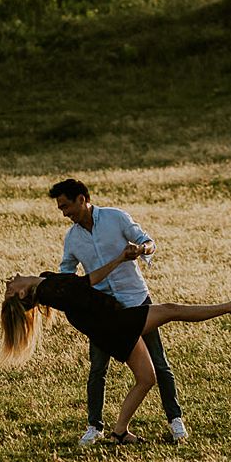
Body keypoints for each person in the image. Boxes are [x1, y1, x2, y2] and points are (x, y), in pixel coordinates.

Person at [0, 245, 231, 444]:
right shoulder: (49, 291)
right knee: (171, 310)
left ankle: (120, 432)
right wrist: (120, 259)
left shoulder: (47, 282)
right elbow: (87, 281)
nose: (9, 281)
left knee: (146, 378)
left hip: (110, 325)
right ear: (22, 295)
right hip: (114, 323)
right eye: (9, 289)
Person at [49, 178, 184, 445]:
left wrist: (141, 249)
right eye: (60, 209)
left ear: (82, 199)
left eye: (66, 206)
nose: (64, 213)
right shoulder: (72, 238)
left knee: (159, 363)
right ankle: (94, 425)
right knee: (98, 367)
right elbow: (67, 273)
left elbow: (148, 242)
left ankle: (175, 419)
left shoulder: (115, 218)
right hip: (102, 312)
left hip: (136, 300)